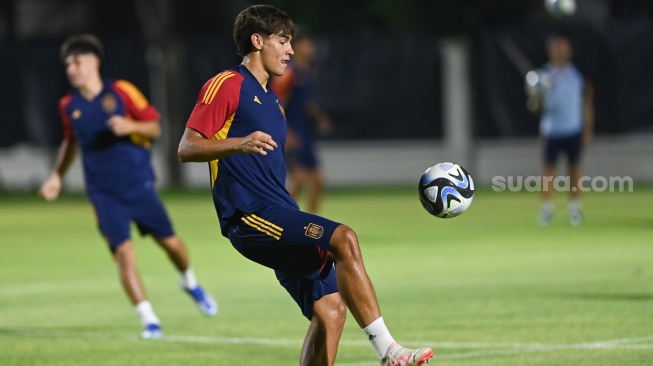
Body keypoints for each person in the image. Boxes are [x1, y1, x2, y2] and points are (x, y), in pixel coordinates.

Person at [177, 5, 433, 366]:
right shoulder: (227, 85)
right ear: (257, 40)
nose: (291, 50)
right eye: (283, 41)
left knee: (331, 310)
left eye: (291, 42)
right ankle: (390, 352)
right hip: (249, 217)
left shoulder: (274, 103)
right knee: (344, 238)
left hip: (281, 215)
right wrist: (240, 142)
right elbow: (187, 148)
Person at [39, 34, 217, 339]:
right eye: (68, 64)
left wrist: (130, 126)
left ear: (94, 62)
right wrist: (57, 175)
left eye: (77, 62)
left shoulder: (121, 92)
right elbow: (71, 140)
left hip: (138, 186)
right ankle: (150, 321)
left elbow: (154, 126)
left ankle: (189, 282)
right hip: (102, 194)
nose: (72, 69)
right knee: (123, 253)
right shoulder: (69, 105)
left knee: (171, 244)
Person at [527, 33, 594, 226]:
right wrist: (536, 97)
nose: (563, 52)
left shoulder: (577, 75)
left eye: (565, 48)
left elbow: (586, 103)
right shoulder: (543, 76)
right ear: (551, 50)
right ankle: (547, 210)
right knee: (549, 170)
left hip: (573, 128)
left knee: (574, 169)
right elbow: (535, 108)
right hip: (552, 130)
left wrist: (587, 128)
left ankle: (575, 209)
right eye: (559, 48)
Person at [269, 27, 332, 213]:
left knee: (317, 182)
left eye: (311, 43)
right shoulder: (288, 72)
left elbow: (306, 101)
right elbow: (274, 103)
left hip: (304, 131)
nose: (310, 47)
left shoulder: (309, 71)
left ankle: (312, 224)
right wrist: (285, 131)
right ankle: (279, 218)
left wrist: (320, 117)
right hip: (292, 131)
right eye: (306, 43)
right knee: (299, 180)